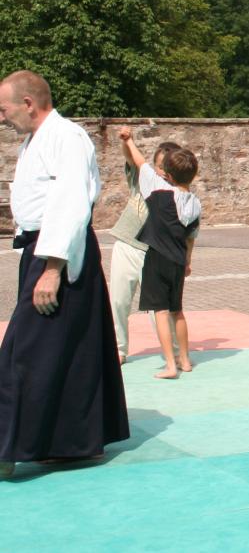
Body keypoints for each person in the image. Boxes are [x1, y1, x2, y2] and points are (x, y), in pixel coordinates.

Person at [0, 71, 129, 477]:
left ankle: (7, 447)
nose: (1, 117)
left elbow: (71, 202)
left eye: (4, 109)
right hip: (43, 250)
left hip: (59, 253)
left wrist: (53, 268)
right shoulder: (35, 140)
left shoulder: (67, 137)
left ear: (28, 103)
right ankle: (69, 442)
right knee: (68, 349)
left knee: (25, 352)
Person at [121, 130, 201, 379]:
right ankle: (185, 360)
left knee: (161, 312)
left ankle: (169, 365)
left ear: (166, 174)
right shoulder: (195, 202)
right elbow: (190, 236)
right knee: (178, 310)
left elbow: (140, 163)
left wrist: (128, 140)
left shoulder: (159, 191)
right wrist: (188, 260)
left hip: (157, 258)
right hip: (178, 260)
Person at [108, 134, 181, 363]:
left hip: (154, 254)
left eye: (165, 167)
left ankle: (174, 352)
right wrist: (126, 140)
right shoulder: (142, 179)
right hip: (126, 245)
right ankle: (119, 349)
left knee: (158, 309)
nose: (160, 171)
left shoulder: (178, 194)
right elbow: (131, 158)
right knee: (118, 302)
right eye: (157, 166)